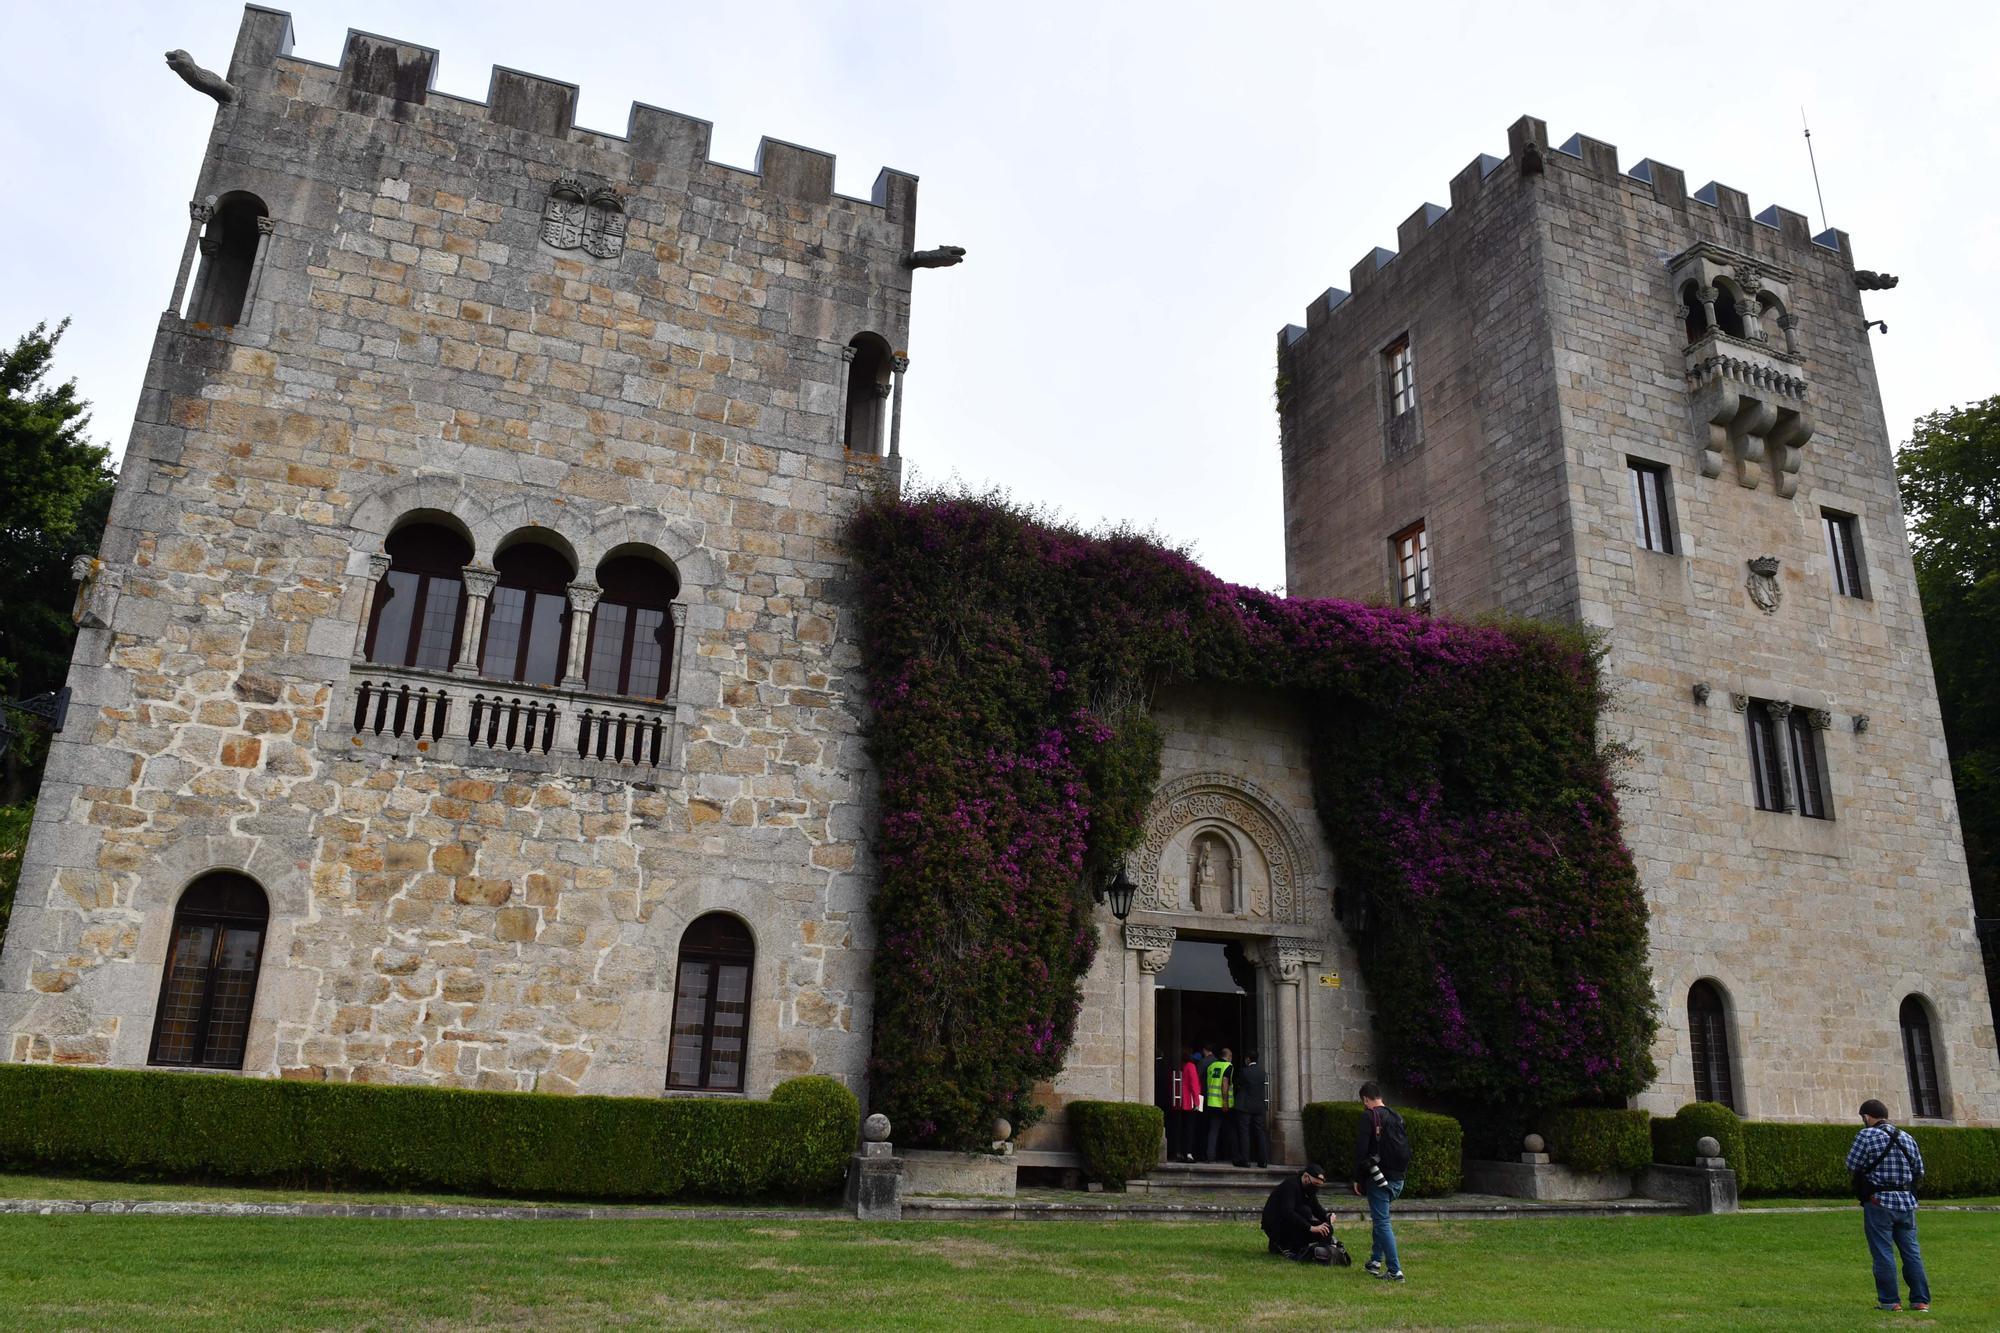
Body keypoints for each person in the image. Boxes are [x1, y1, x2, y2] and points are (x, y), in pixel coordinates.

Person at [1846, 1098, 1930, 1313]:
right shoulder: (1907, 1137)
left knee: (1883, 1252)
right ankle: (1920, 1301)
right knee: (1911, 1252)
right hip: (1906, 1202)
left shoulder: (1866, 1135)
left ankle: (1890, 1301)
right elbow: (1919, 1170)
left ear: (1866, 1117)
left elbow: (1852, 1165)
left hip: (1879, 1201)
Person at [1351, 1081, 1409, 1282]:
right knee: (1379, 1217)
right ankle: (1375, 1261)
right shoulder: (1396, 1116)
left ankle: (1395, 1270)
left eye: (1363, 1101)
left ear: (1365, 1099)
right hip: (1398, 1179)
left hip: (1378, 1178)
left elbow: (1361, 1151)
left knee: (1382, 1222)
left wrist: (1358, 1178)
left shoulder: (1369, 1116)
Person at [1261, 1162, 1347, 1264]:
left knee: (1326, 1229)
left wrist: (1327, 1216)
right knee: (1304, 1211)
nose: (1316, 1188)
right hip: (1277, 1225)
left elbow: (1316, 1207)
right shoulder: (1290, 1186)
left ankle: (1316, 1248)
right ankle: (1283, 1245)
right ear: (1306, 1177)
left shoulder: (1308, 1189)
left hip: (1297, 1223)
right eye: (1315, 1184)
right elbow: (1288, 1213)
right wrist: (1311, 1228)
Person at [1234, 1050, 1270, 1168]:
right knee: (1260, 1132)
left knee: (1245, 1133)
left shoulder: (1245, 1071)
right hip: (1259, 1107)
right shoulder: (1262, 1072)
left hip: (1245, 1106)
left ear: (1248, 1059)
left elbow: (1238, 1083)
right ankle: (1263, 1161)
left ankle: (1245, 1160)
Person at [1204, 1045, 1238, 1166]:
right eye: (1231, 1057)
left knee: (1213, 1130)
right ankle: (1234, 1156)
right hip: (1223, 1105)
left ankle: (1210, 1156)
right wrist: (1225, 1102)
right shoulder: (1228, 1066)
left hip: (1211, 1103)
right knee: (1231, 1131)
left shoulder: (1211, 1066)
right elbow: (1225, 1084)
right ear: (1228, 1057)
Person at [1175, 1044, 1204, 1162]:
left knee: (1184, 1128)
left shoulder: (1184, 1066)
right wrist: (1197, 1102)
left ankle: (1182, 1152)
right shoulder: (1191, 1066)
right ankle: (1188, 1153)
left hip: (1183, 1102)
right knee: (1190, 1129)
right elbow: (1194, 1085)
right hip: (1190, 1103)